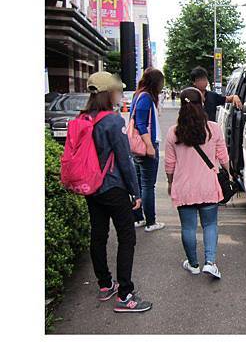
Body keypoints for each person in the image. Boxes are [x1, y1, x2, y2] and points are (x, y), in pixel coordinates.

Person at [82, 71, 152, 313]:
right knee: (126, 237)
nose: (119, 94)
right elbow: (125, 160)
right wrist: (136, 192)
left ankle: (104, 285)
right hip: (113, 188)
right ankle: (125, 295)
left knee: (98, 234)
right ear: (107, 92)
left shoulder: (83, 118)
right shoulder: (112, 121)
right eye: (117, 90)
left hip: (91, 187)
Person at [164, 87, 230, 279]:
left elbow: (170, 165)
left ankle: (193, 264)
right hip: (208, 187)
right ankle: (210, 263)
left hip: (184, 188)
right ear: (202, 104)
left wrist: (170, 183)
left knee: (188, 228)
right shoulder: (213, 129)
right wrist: (229, 173)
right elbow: (223, 158)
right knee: (210, 225)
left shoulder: (173, 132)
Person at [130, 67, 166, 232]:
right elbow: (141, 124)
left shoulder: (138, 95)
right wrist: (150, 146)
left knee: (138, 184)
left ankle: (138, 219)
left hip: (136, 147)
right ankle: (151, 222)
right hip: (145, 147)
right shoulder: (145, 97)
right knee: (147, 186)